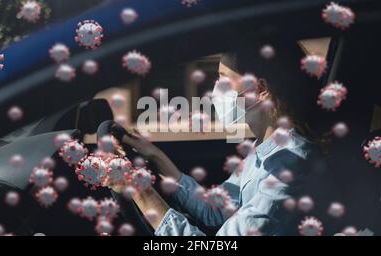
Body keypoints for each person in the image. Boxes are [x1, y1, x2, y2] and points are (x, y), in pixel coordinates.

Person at [108, 41, 324, 236]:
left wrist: (139, 190)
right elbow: (215, 209)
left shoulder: (288, 166)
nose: (215, 87)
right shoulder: (265, 149)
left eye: (223, 78)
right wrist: (155, 156)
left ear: (260, 90)